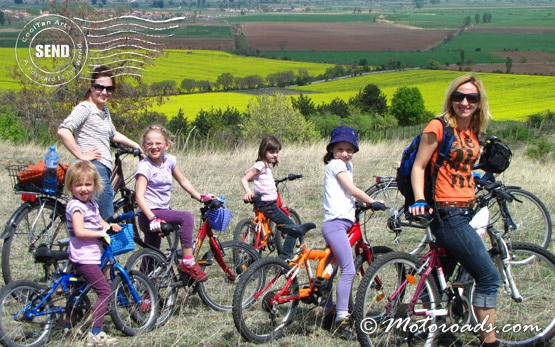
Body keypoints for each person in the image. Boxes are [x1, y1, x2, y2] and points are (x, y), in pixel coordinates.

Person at [409, 75, 500, 347]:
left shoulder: (472, 131)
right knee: (488, 276)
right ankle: (490, 343)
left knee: (440, 280)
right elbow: (419, 166)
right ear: (451, 98)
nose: (464, 102)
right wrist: (418, 200)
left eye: (471, 98)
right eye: (458, 96)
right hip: (447, 213)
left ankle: (435, 332)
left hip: (465, 209)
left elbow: (462, 167)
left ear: (479, 102)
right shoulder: (438, 127)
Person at [321, 126, 383, 340]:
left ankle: (327, 312)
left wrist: (361, 204)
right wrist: (371, 200)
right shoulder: (337, 164)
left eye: (349, 149)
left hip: (343, 222)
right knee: (348, 270)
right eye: (340, 148)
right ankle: (342, 319)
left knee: (329, 270)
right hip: (336, 224)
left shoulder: (347, 165)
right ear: (332, 150)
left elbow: (345, 194)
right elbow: (351, 189)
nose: (345, 153)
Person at [58, 65, 143, 220]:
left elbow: (112, 133)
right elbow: (63, 130)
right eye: (99, 87)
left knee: (93, 216)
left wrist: (135, 145)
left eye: (109, 89)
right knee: (106, 219)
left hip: (100, 166)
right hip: (95, 167)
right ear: (91, 87)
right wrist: (81, 155)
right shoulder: (86, 107)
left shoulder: (103, 109)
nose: (104, 92)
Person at [135, 125, 210, 282]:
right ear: (144, 146)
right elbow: (139, 197)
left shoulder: (169, 161)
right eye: (150, 144)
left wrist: (200, 197)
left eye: (158, 143)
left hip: (160, 212)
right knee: (186, 217)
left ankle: (143, 293)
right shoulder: (145, 166)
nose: (154, 147)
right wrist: (152, 218)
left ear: (166, 144)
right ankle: (188, 261)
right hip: (149, 214)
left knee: (151, 256)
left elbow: (182, 180)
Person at [64, 160, 121, 346]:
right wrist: (100, 234)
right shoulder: (76, 207)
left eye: (88, 184)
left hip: (87, 256)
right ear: (70, 186)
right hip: (84, 257)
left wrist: (109, 226)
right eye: (78, 184)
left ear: (95, 185)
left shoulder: (91, 204)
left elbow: (99, 222)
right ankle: (95, 333)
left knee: (78, 291)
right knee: (105, 291)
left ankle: (69, 325)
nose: (83, 189)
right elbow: (80, 231)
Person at [241, 135, 297, 261]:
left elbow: (247, 174)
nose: (275, 155)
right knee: (293, 228)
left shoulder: (264, 166)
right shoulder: (261, 165)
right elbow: (244, 179)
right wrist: (248, 191)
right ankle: (285, 258)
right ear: (263, 151)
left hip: (263, 203)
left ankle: (258, 251)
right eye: (271, 152)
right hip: (269, 205)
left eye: (277, 152)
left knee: (264, 227)